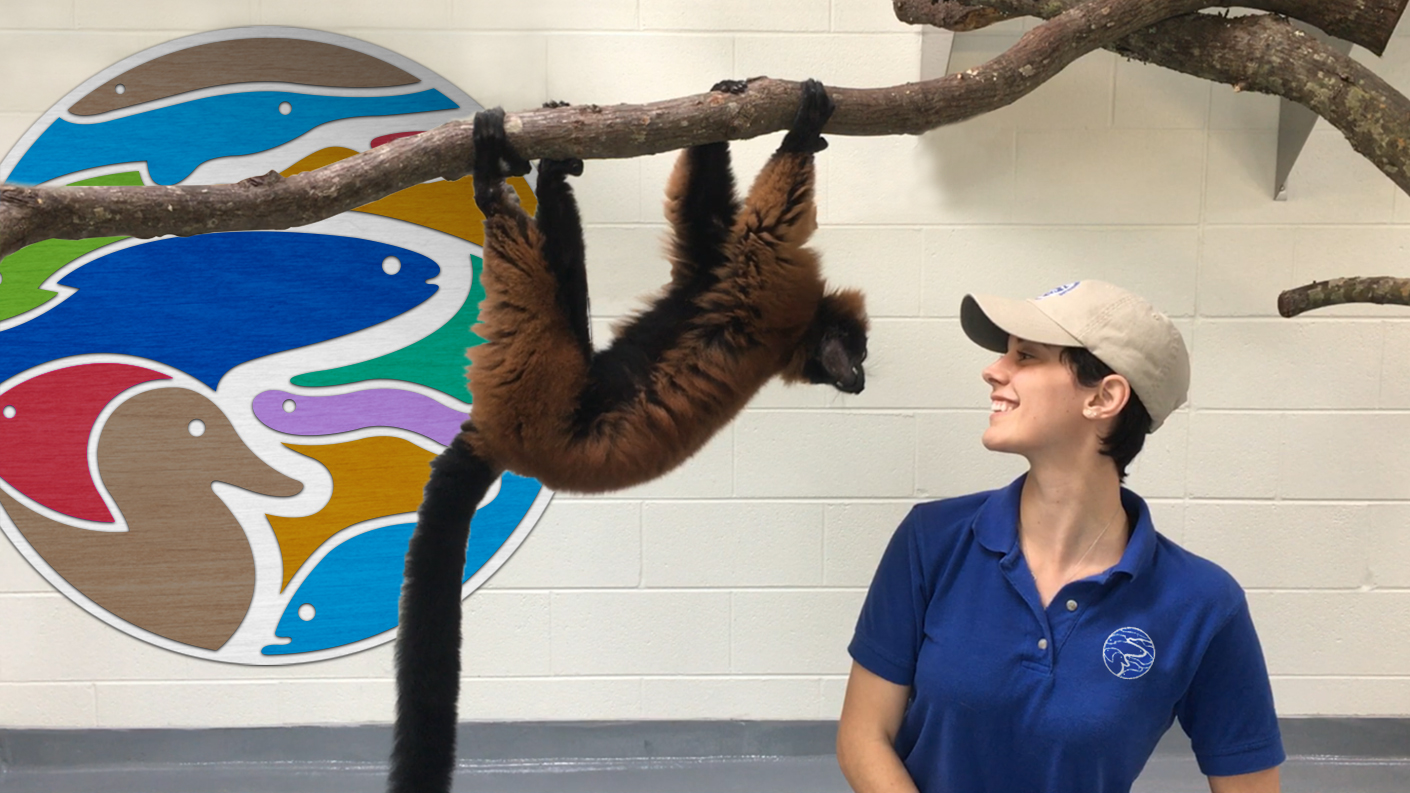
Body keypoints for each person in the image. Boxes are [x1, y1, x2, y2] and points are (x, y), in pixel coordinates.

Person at [837, 281, 1283, 793]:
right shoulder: (931, 541)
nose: (994, 370)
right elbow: (864, 734)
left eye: (1026, 356)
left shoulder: (1202, 604)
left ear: (1104, 397)